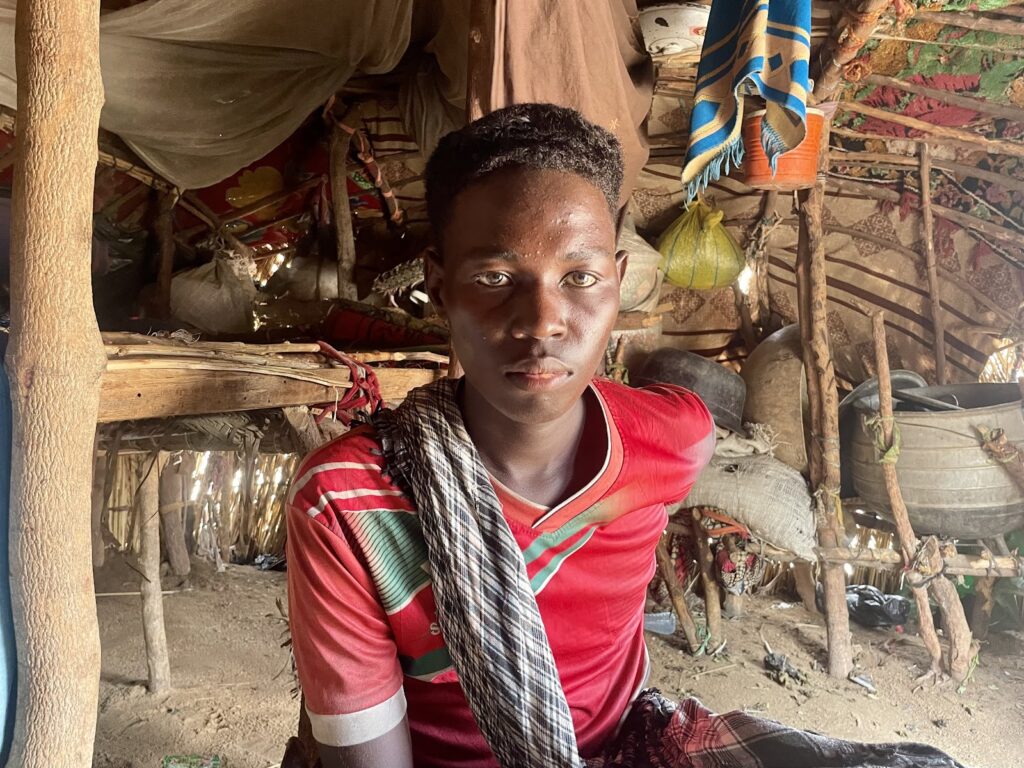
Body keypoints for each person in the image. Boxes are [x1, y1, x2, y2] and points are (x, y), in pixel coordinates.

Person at [286, 104, 965, 768]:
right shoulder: (349, 502)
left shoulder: (669, 436)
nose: (542, 321)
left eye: (579, 278)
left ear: (616, 282)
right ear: (438, 285)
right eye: (495, 278)